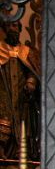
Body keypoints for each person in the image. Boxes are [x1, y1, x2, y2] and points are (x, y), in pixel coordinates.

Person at [0, 20, 40, 161]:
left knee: (23, 122)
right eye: (10, 25)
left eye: (16, 26)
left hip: (22, 97)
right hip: (4, 93)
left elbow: (33, 71)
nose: (13, 28)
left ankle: (20, 151)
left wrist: (31, 81)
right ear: (4, 28)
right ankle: (2, 150)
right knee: (4, 121)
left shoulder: (27, 51)